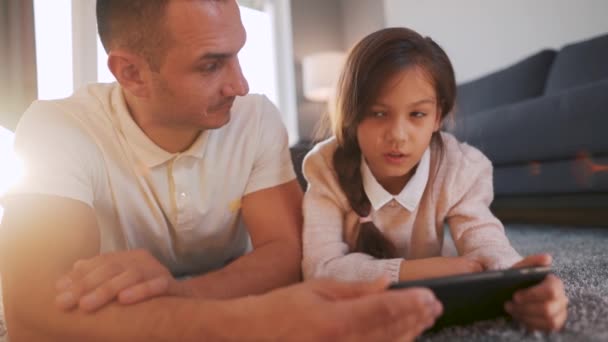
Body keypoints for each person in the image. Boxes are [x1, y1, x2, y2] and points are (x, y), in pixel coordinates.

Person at [0, 1, 443, 340]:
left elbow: (285, 253)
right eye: (212, 65)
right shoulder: (57, 127)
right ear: (131, 73)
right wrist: (247, 321)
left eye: (237, 55)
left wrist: (183, 294)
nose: (241, 84)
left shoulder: (255, 117)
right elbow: (28, 314)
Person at [301, 27, 569, 332]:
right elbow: (318, 271)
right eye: (378, 113)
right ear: (351, 114)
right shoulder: (325, 166)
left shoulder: (461, 167)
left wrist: (526, 281)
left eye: (417, 114)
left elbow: (486, 244)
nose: (398, 136)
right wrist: (424, 271)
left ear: (438, 116)